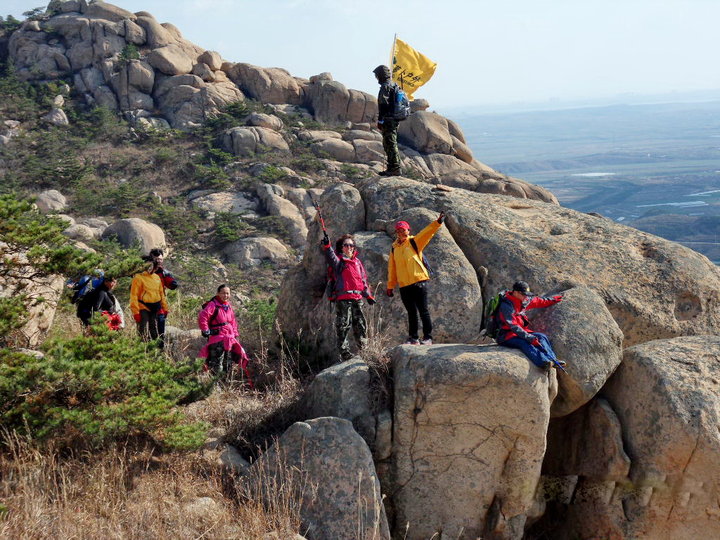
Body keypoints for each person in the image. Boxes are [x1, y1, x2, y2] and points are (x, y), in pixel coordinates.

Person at [386, 212, 445, 345]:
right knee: (411, 312)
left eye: (403, 230)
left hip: (419, 282)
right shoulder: (394, 249)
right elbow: (392, 269)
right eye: (399, 230)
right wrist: (390, 286)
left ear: (408, 230)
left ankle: (428, 337)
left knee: (423, 311)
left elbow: (426, 233)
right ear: (396, 232)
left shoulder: (414, 242)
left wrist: (437, 223)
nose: (401, 232)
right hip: (404, 286)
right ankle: (413, 338)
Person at [321, 233, 376, 362]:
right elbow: (330, 257)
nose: (349, 247)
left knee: (361, 325)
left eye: (351, 245)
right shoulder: (339, 261)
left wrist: (368, 296)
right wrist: (328, 246)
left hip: (357, 297)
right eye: (346, 245)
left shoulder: (357, 262)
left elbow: (363, 280)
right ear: (341, 247)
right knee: (343, 326)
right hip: (343, 298)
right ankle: (345, 353)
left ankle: (365, 351)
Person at [496, 281, 565, 369]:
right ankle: (543, 362)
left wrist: (554, 299)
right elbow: (513, 326)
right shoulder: (506, 306)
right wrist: (529, 337)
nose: (526, 297)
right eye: (524, 294)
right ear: (516, 292)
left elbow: (539, 301)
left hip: (520, 334)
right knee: (524, 343)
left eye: (527, 294)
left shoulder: (523, 301)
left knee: (541, 336)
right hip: (506, 336)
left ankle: (553, 360)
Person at [197, 284, 252, 383]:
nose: (225, 295)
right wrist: (206, 330)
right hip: (217, 338)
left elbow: (233, 322)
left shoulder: (228, 306)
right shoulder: (213, 304)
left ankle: (224, 383)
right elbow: (203, 316)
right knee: (217, 363)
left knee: (228, 362)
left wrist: (236, 335)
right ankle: (214, 385)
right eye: (223, 293)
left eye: (227, 293)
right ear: (218, 293)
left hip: (229, 339)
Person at [130, 256, 168, 345]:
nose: (149, 268)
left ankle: (155, 348)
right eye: (147, 266)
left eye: (151, 266)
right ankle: (141, 349)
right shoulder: (138, 277)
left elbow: (161, 294)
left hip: (155, 306)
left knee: (153, 328)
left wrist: (165, 308)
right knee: (143, 328)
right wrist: (136, 312)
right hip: (143, 306)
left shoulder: (156, 277)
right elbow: (134, 295)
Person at [373, 64, 402, 177]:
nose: (376, 78)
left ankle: (395, 168)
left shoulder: (385, 86)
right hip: (393, 118)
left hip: (388, 119)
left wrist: (380, 121)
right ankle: (392, 167)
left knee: (390, 143)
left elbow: (383, 105)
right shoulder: (394, 85)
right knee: (389, 143)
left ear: (381, 75)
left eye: (377, 75)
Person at [149, 248, 178, 339]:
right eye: (156, 259)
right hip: (146, 306)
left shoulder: (163, 272)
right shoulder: (144, 272)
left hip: (160, 306)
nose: (159, 261)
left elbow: (171, 284)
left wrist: (173, 284)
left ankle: (160, 349)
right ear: (151, 259)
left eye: (160, 259)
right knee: (148, 332)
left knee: (160, 332)